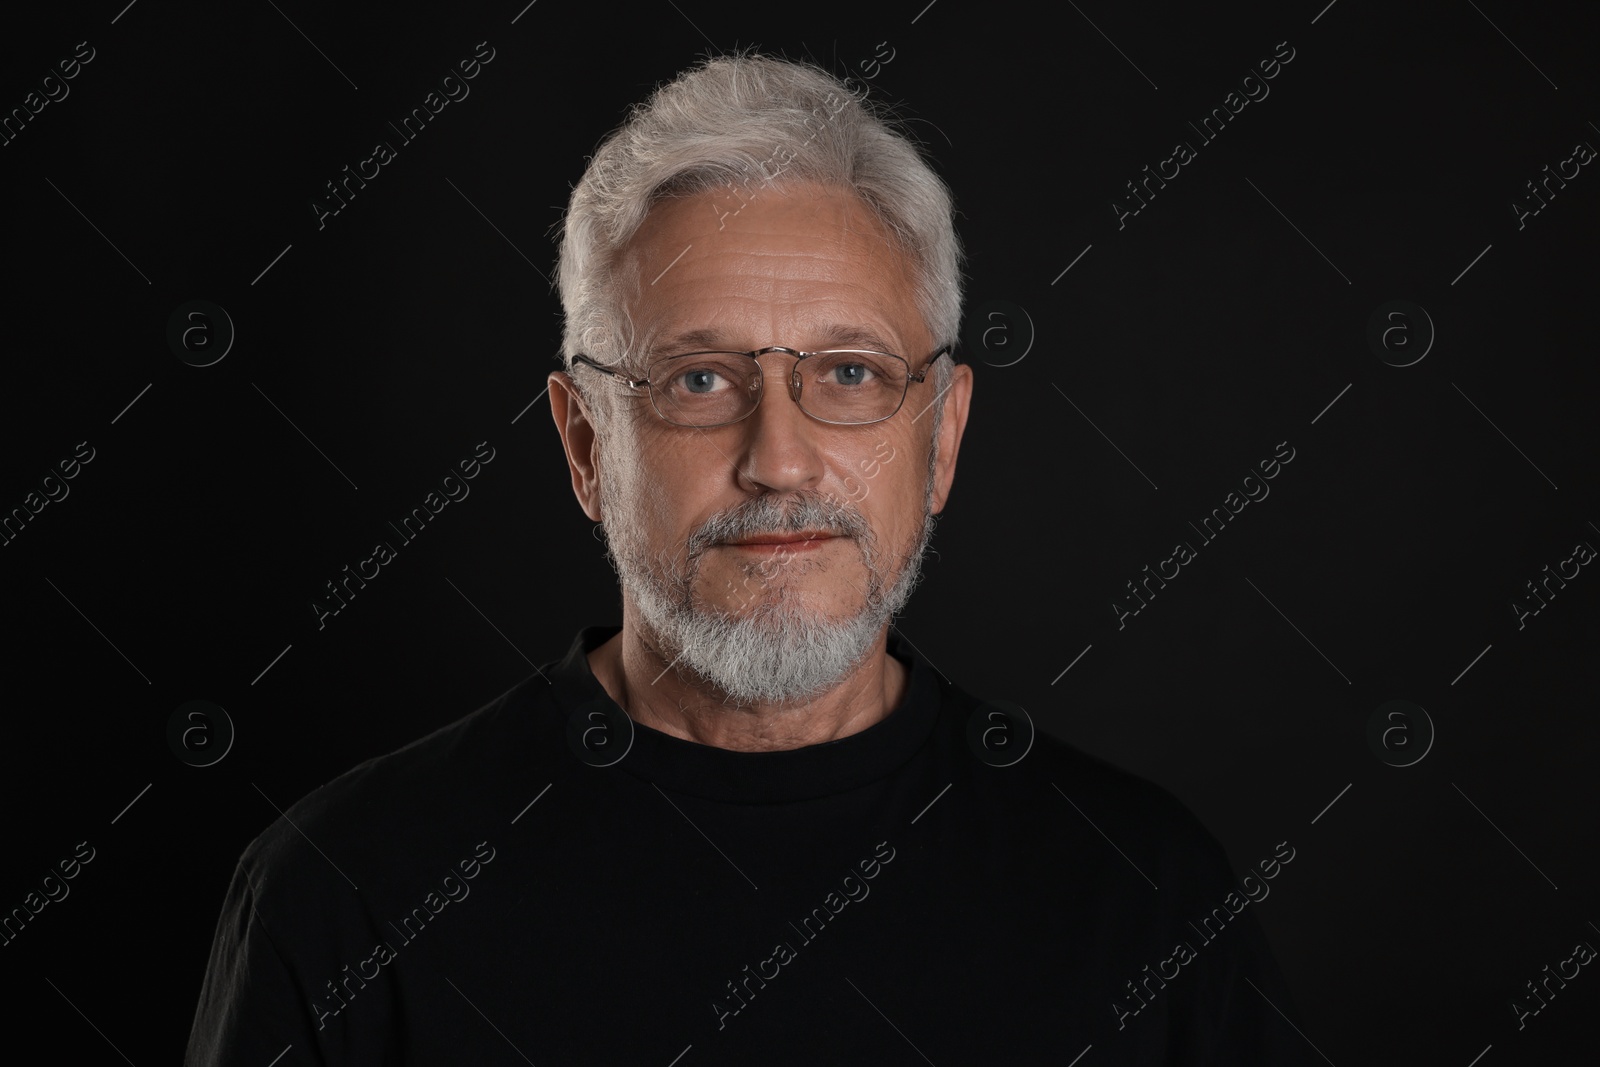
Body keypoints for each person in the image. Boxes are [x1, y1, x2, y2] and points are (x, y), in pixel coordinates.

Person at [185, 53, 1318, 1065]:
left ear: (944, 436)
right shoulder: (346, 893)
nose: (780, 459)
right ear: (585, 442)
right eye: (696, 380)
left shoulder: (1143, 892)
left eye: (849, 374)